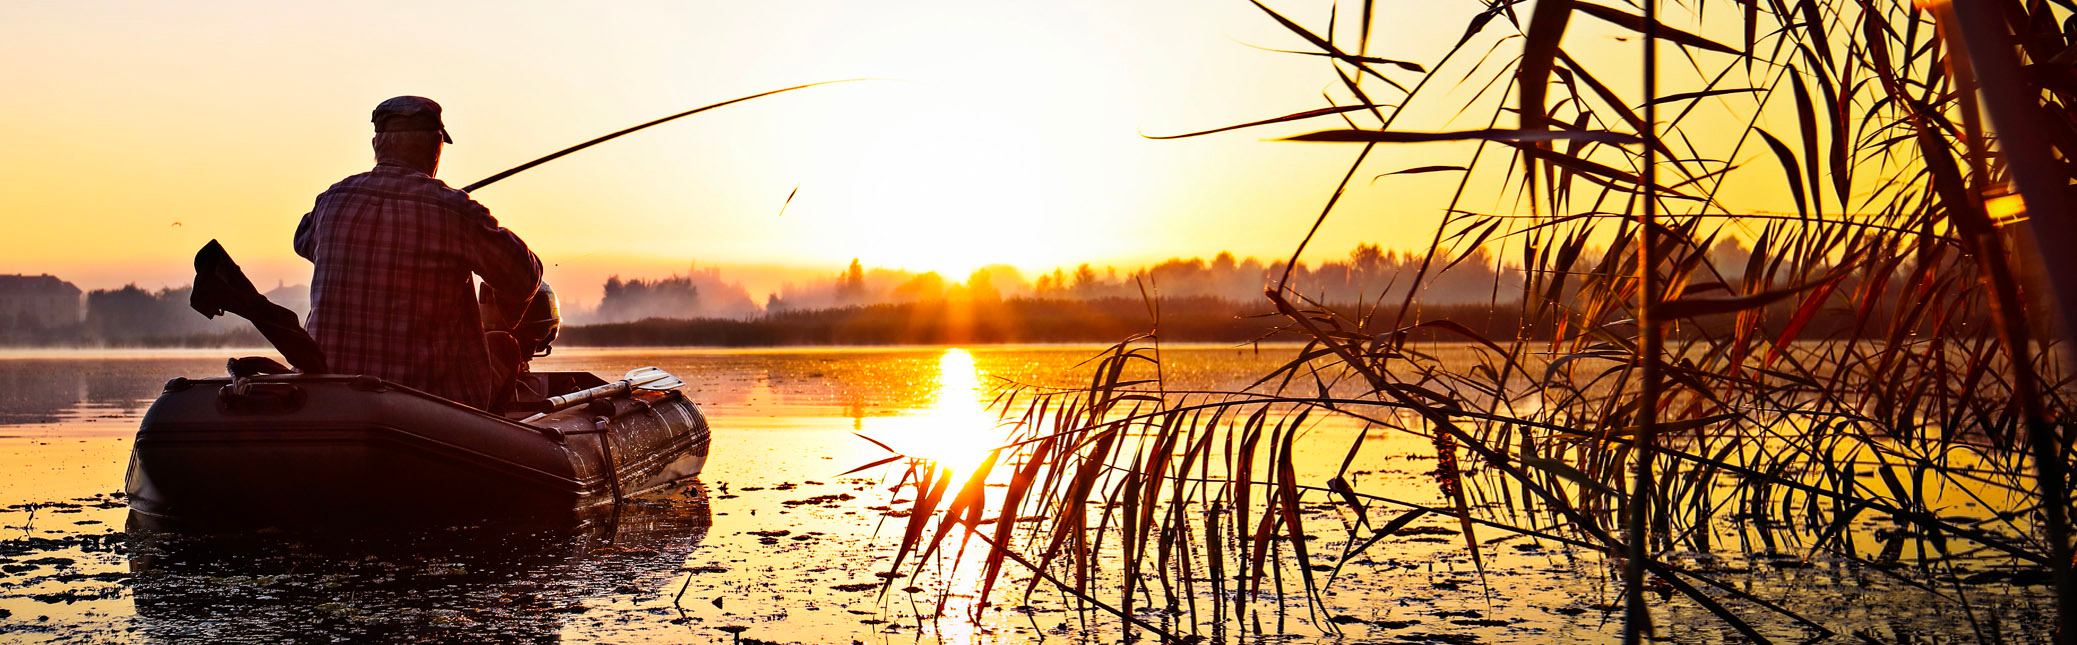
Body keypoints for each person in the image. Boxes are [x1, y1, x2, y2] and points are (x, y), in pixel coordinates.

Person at [294, 96, 541, 409]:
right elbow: (525, 276)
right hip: (426, 408)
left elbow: (303, 239)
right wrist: (453, 210)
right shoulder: (456, 211)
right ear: (436, 147)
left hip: (332, 399)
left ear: (376, 145)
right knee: (504, 347)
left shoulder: (332, 200)